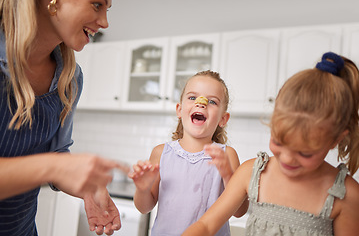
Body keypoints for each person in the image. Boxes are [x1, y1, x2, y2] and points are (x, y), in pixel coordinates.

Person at [182, 52, 359, 236]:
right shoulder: (251, 172)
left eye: (305, 153)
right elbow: (206, 226)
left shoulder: (346, 196)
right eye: (279, 141)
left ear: (336, 139)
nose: (288, 158)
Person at [0, 0, 129, 236]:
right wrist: (54, 167)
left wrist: (88, 189)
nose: (105, 22)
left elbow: (56, 153)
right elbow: (54, 164)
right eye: (97, 4)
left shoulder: (69, 80)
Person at [128, 70, 249, 236]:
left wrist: (228, 174)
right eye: (192, 97)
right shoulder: (161, 153)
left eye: (212, 101)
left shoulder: (227, 156)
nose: (201, 103)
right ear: (179, 109)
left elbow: (240, 211)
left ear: (223, 119)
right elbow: (144, 208)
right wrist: (142, 189)